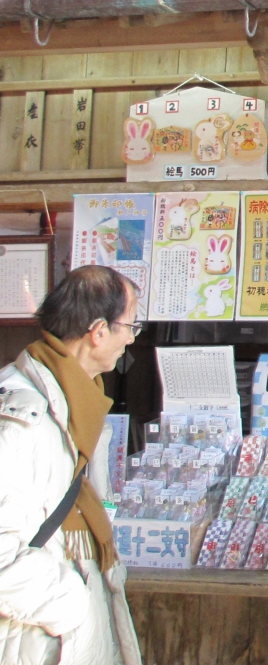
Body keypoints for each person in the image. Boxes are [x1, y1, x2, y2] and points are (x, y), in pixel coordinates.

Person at [0, 265, 143, 665]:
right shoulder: (22, 418)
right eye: (130, 326)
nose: (132, 338)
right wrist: (71, 603)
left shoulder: (78, 406)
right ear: (99, 331)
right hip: (34, 641)